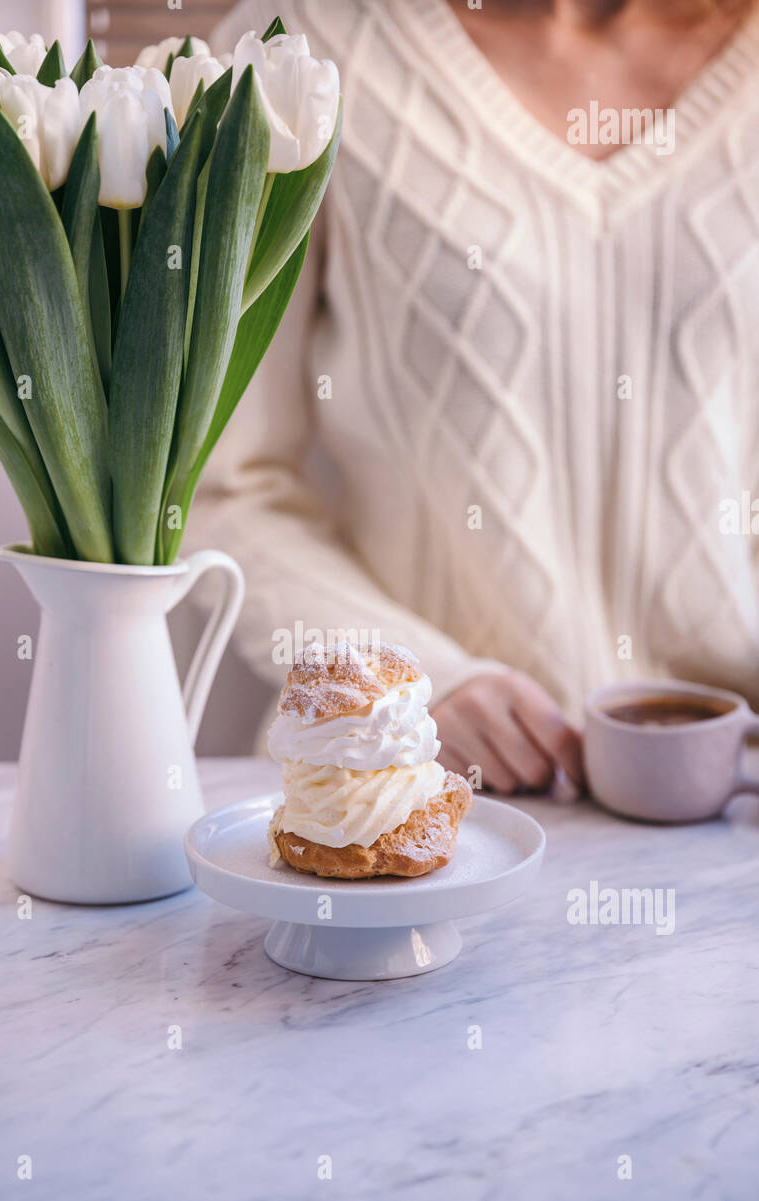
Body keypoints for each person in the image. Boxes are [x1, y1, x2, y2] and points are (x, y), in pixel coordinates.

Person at [186, 0, 759, 792]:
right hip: (404, 790)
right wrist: (415, 685)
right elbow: (216, 489)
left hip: (730, 807)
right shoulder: (302, 49)